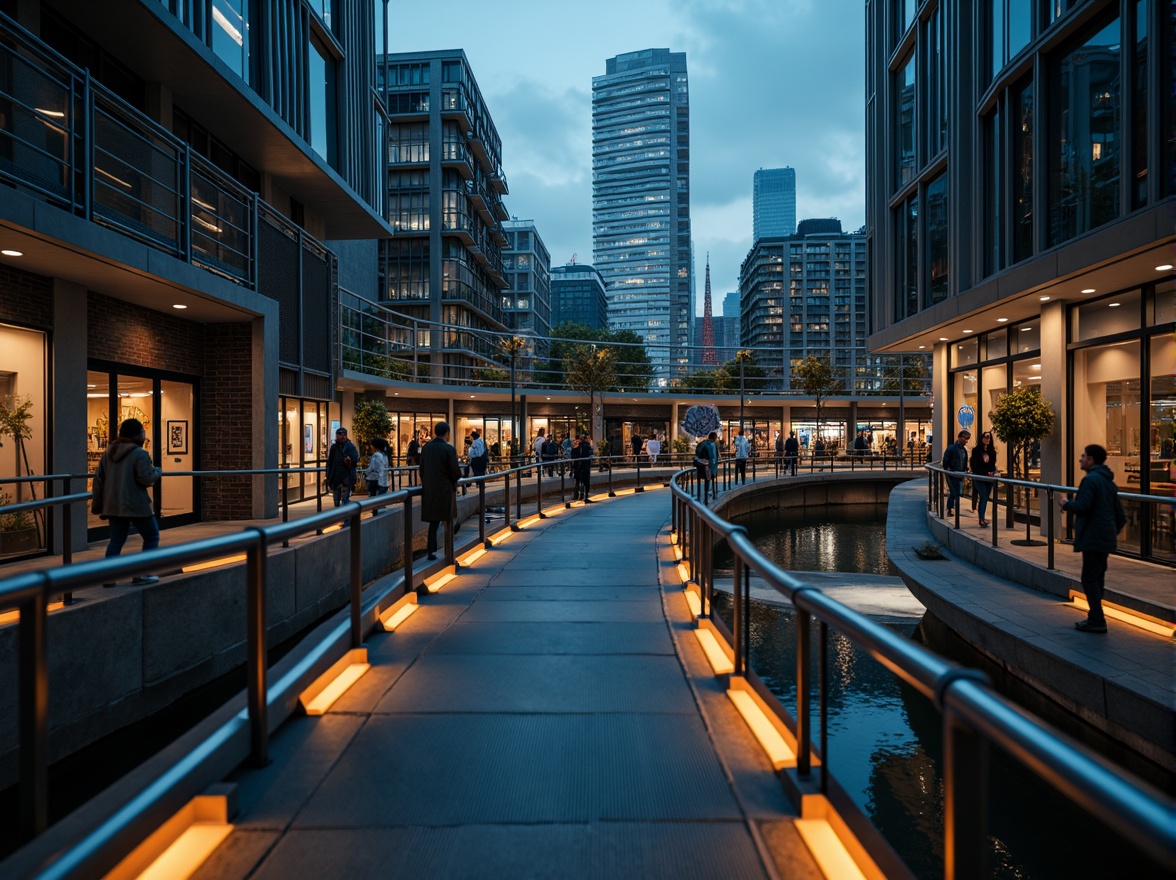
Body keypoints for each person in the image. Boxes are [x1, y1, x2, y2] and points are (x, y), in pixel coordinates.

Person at [1059, 444, 1127, 634]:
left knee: (1089, 578)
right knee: (1097, 577)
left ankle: (1097, 619)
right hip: (1103, 537)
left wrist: (1066, 503)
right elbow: (1120, 516)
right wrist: (1110, 532)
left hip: (1093, 536)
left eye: (1083, 456)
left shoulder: (1091, 480)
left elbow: (1082, 506)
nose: (1080, 459)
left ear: (1091, 459)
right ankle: (1095, 617)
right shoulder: (1108, 482)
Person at [91, 417, 162, 586]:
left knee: (116, 541)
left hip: (113, 505)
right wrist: (157, 471)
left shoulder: (108, 453)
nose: (144, 436)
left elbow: (98, 480)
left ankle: (108, 577)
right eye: (143, 433)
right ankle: (142, 574)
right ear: (137, 434)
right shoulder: (140, 454)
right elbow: (146, 478)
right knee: (152, 536)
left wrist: (98, 505)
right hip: (136, 504)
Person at [420, 422, 461, 561]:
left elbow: (421, 470)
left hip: (430, 489)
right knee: (448, 519)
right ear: (447, 433)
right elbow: (455, 471)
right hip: (445, 489)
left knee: (434, 522)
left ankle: (431, 551)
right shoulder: (448, 449)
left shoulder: (426, 448)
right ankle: (448, 552)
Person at [326, 427, 360, 509]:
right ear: (336, 436)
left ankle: (346, 518)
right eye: (339, 434)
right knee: (336, 501)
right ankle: (340, 516)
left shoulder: (350, 446)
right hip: (336, 476)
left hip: (346, 476)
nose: (342, 436)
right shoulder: (334, 447)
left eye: (344, 435)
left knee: (345, 499)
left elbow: (355, 460)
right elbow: (330, 462)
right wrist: (329, 476)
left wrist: (349, 461)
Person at [970, 432, 998, 527]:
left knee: (985, 497)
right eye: (985, 437)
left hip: (988, 477)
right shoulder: (976, 450)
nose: (987, 440)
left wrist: (992, 472)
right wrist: (986, 473)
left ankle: (982, 517)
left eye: (989, 438)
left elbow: (993, 464)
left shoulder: (992, 452)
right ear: (981, 438)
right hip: (979, 477)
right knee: (983, 496)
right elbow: (974, 466)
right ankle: (981, 518)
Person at [942, 430, 971, 515]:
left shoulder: (964, 450)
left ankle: (953, 508)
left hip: (960, 474)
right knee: (954, 492)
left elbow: (964, 462)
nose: (966, 441)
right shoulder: (952, 448)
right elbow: (945, 460)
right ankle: (950, 508)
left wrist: (965, 470)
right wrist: (948, 469)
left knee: (958, 493)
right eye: (965, 439)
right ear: (960, 438)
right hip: (952, 474)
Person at [364, 438, 389, 513]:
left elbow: (372, 467)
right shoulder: (385, 455)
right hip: (382, 480)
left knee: (373, 499)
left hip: (374, 479)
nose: (371, 447)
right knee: (380, 499)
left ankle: (375, 513)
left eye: (372, 445)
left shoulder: (376, 455)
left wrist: (365, 473)